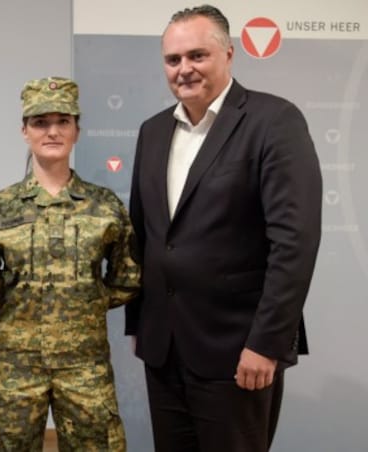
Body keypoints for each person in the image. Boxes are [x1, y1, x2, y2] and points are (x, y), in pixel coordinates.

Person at [125, 5, 322, 451]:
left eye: (198, 55)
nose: (184, 69)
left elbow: (295, 243)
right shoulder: (152, 131)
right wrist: (140, 321)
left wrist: (267, 343)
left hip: (238, 351)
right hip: (164, 348)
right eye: (173, 60)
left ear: (228, 54)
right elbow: (146, 234)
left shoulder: (274, 121)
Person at [0, 76, 141, 451]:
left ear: (76, 130)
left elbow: (127, 277)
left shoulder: (105, 207)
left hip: (85, 366)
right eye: (40, 122)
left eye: (62, 121)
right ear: (24, 131)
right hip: (14, 366)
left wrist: (87, 301)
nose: (52, 131)